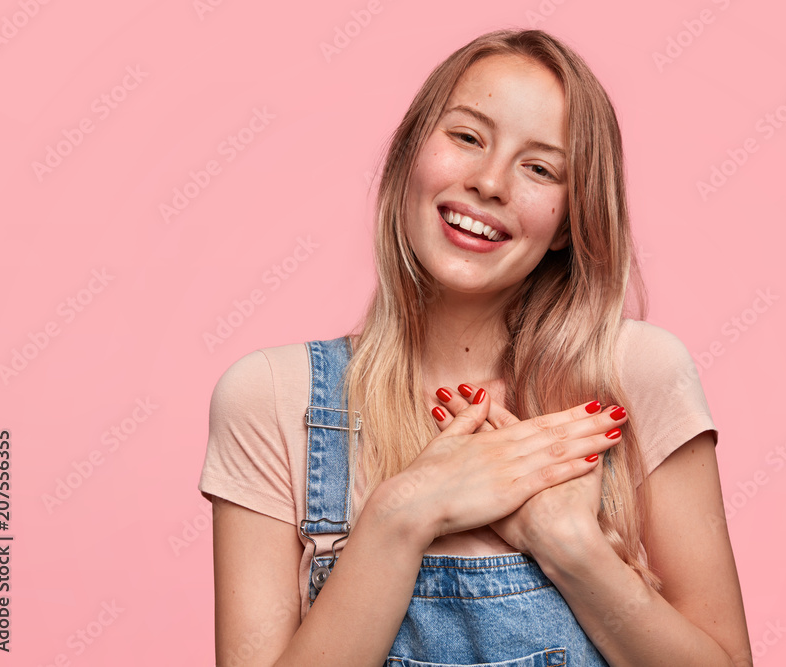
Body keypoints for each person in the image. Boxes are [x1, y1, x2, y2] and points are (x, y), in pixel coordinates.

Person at [198, 28, 751, 666]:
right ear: (410, 152)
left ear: (568, 223)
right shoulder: (272, 399)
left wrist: (572, 548)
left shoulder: (639, 374)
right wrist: (401, 516)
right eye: (467, 137)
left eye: (540, 168)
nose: (490, 183)